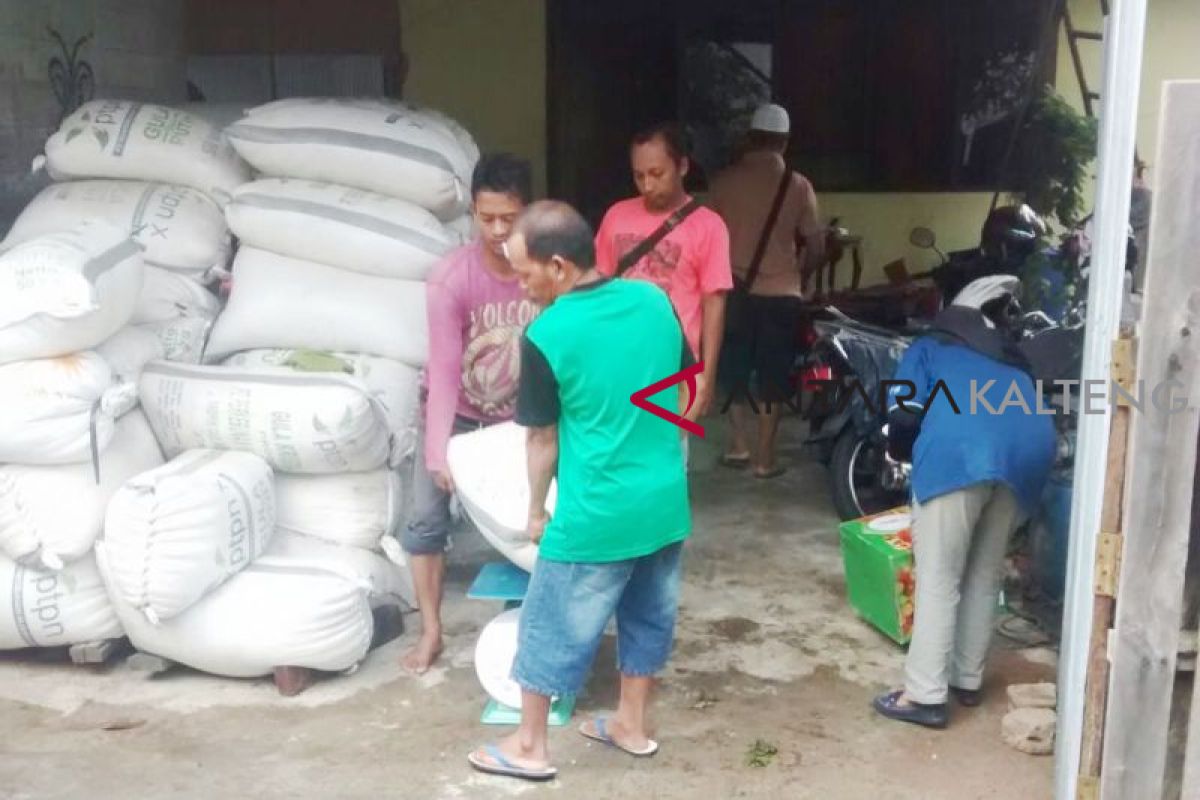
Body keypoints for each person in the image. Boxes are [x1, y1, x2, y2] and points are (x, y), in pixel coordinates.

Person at [467, 201, 696, 781]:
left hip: (596, 510)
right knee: (647, 616)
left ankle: (529, 747)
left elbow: (542, 438)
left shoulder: (546, 334)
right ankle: (631, 726)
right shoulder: (654, 300)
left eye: (525, 273)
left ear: (561, 267)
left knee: (549, 624)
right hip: (664, 501)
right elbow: (680, 380)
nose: (521, 284)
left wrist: (535, 509)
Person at [872, 276, 1056, 729]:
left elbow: (902, 412)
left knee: (938, 575)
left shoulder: (930, 347)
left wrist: (899, 451)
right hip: (1029, 456)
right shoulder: (1012, 360)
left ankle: (924, 696)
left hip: (960, 454)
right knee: (983, 571)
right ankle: (966, 679)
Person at [401, 153, 538, 674]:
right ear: (472, 214)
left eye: (510, 217)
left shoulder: (542, 274)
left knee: (531, 523)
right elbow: (441, 370)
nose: (499, 230)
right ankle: (432, 631)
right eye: (487, 218)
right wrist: (439, 452)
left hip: (517, 422)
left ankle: (529, 625)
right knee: (424, 522)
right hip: (457, 416)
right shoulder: (451, 279)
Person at [708, 103, 824, 479]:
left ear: (750, 138)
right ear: (785, 142)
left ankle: (739, 445)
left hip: (734, 291)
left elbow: (705, 239)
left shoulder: (723, 182)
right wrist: (800, 275)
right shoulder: (799, 184)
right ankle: (764, 459)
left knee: (735, 369)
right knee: (774, 376)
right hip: (782, 294)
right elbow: (817, 246)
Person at [594, 122, 732, 417]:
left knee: (668, 458)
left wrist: (706, 377)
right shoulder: (616, 216)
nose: (647, 185)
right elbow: (596, 287)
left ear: (682, 166)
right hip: (616, 364)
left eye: (657, 174)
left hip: (674, 373)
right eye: (639, 175)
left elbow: (714, 303)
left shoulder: (709, 227)